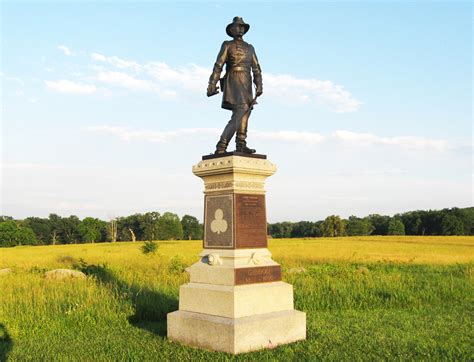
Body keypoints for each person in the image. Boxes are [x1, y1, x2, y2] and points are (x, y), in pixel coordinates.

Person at [207, 16, 263, 154]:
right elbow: (218, 65)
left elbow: (256, 68)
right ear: (231, 30)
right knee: (243, 109)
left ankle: (225, 145)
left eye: (242, 26)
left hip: (246, 80)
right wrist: (212, 83)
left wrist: (259, 83)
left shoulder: (250, 48)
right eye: (237, 26)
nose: (240, 29)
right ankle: (236, 144)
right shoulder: (227, 44)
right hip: (233, 80)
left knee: (243, 111)